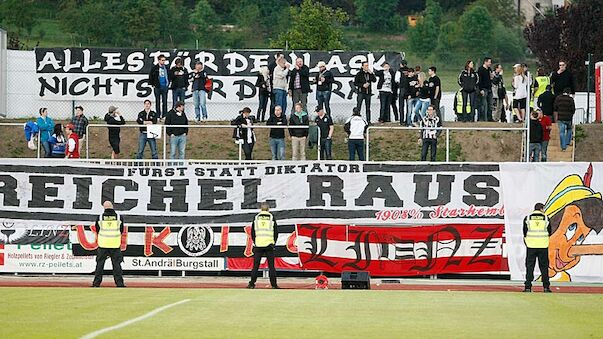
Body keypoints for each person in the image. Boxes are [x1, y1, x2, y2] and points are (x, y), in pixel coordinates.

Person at [92, 201, 126, 288]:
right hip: (115, 244)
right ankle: (119, 284)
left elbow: (97, 229)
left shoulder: (100, 217)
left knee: (100, 264)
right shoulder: (119, 217)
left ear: (104, 207)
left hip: (103, 244)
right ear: (112, 206)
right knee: (117, 265)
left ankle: (96, 283)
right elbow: (121, 230)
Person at [247, 202, 279, 289]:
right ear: (268, 209)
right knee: (271, 266)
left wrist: (255, 241)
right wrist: (273, 242)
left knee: (255, 266)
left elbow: (252, 232)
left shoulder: (256, 217)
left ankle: (252, 284)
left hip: (258, 244)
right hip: (269, 245)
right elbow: (276, 231)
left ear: (261, 209)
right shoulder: (271, 217)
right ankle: (274, 285)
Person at [523, 202, 552, 293]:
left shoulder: (527, 218)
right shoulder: (546, 218)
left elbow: (524, 231)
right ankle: (546, 287)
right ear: (542, 209)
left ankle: (528, 287)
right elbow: (550, 231)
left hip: (531, 246)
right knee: (544, 267)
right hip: (543, 246)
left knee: (529, 266)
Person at [148, 54, 169, 119]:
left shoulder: (166, 68)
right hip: (157, 86)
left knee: (164, 101)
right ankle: (158, 115)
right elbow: (151, 76)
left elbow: (169, 75)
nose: (163, 62)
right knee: (157, 101)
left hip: (164, 86)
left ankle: (164, 115)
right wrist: (153, 84)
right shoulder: (155, 68)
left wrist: (168, 83)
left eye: (164, 60)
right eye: (162, 60)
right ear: (159, 60)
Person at [477, 57, 494, 121]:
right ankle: (484, 119)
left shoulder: (489, 69)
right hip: (484, 89)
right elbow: (479, 80)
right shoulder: (481, 69)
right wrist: (481, 89)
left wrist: (491, 77)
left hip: (489, 88)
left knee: (490, 104)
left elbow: (491, 77)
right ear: (485, 62)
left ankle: (490, 118)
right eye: (489, 62)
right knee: (484, 104)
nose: (490, 63)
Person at [395, 60, 411, 125]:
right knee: (408, 106)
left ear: (401, 64)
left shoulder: (399, 71)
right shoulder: (409, 70)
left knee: (401, 106)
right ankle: (407, 121)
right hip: (408, 90)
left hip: (401, 89)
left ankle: (401, 121)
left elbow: (396, 80)